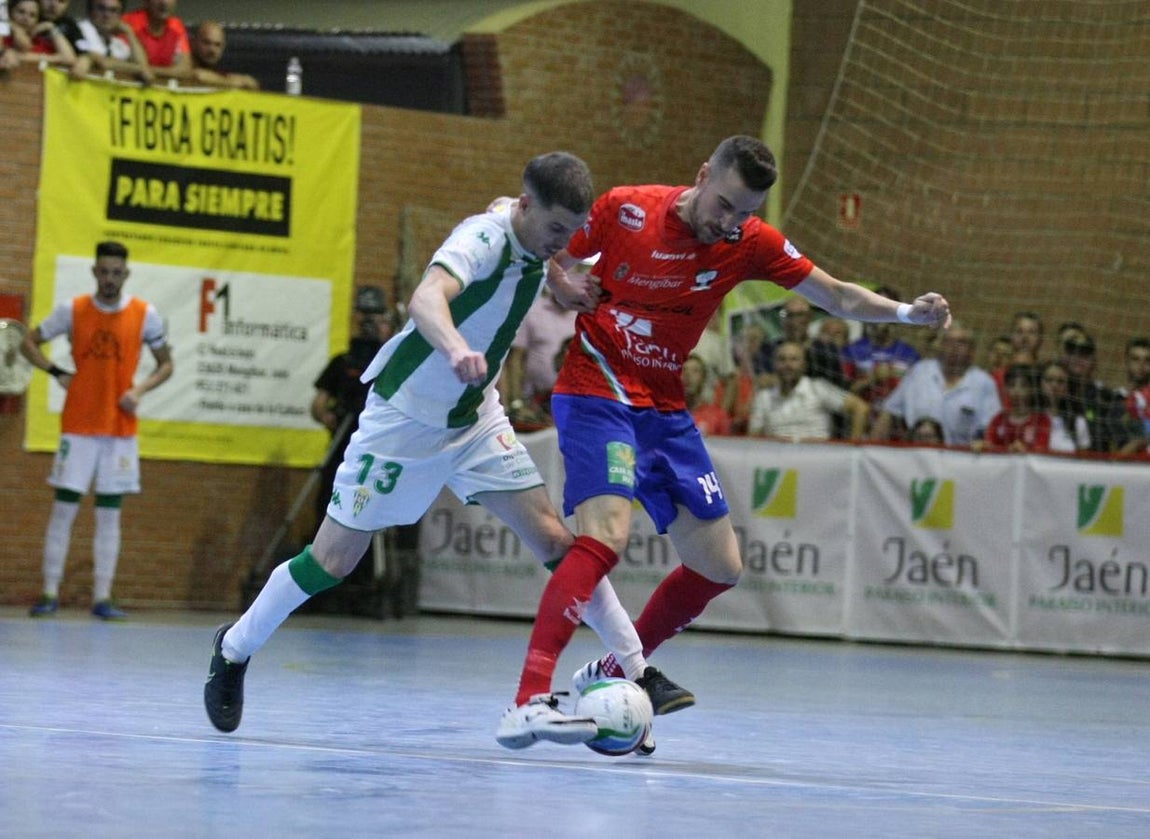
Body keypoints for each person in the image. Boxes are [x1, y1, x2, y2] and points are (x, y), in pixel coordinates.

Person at [497, 135, 951, 749]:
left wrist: (906, 315)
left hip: (664, 405)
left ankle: (611, 672)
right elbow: (544, 251)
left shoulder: (749, 244)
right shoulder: (627, 209)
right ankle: (528, 700)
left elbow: (837, 294)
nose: (731, 222)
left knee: (719, 566)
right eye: (725, 204)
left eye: (747, 212)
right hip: (597, 385)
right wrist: (563, 284)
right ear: (703, 172)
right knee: (606, 535)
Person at [204, 152, 650, 752]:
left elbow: (535, 250)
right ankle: (233, 650)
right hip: (403, 421)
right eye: (555, 233)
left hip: (473, 420)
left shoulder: (525, 228)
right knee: (332, 562)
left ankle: (638, 668)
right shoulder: (483, 238)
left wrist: (562, 278)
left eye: (571, 235)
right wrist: (455, 347)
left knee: (555, 541)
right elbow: (426, 297)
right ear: (525, 207)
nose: (562, 244)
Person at [19, 240, 173, 619]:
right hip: (79, 425)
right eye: (103, 271)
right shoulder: (72, 310)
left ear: (126, 274)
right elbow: (27, 342)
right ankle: (49, 592)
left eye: (116, 272)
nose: (109, 278)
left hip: (119, 430)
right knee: (64, 510)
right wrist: (56, 372)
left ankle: (102, 597)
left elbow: (166, 364)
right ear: (94, 272)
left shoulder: (144, 314)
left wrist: (138, 389)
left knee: (109, 514)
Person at [309, 285, 392, 527]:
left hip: (375, 450)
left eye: (374, 316)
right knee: (328, 502)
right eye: (364, 315)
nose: (368, 322)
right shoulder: (343, 362)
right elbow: (318, 404)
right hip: (341, 448)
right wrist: (327, 417)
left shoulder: (387, 363)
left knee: (369, 512)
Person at [870, 322, 1000, 446]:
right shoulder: (920, 372)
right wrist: (871, 449)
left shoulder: (983, 383)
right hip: (917, 456)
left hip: (960, 460)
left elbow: (992, 428)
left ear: (972, 350)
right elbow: (889, 412)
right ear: (941, 346)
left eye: (961, 343)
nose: (954, 348)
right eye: (949, 342)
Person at [499, 260, 584, 429]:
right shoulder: (532, 311)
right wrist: (515, 402)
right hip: (536, 401)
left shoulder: (585, 314)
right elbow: (515, 359)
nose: (566, 285)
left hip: (577, 401)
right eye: (562, 278)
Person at [747, 340, 868, 441]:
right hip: (777, 461)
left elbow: (861, 408)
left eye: (794, 359)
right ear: (774, 364)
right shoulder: (763, 397)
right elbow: (753, 437)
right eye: (782, 359)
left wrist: (852, 448)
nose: (787, 365)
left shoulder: (818, 388)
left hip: (817, 459)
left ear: (804, 365)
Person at [840, 284, 920, 434]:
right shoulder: (852, 351)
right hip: (860, 427)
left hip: (898, 430)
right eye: (875, 308)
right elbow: (842, 394)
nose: (880, 315)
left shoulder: (910, 354)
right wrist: (872, 378)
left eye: (886, 308)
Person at [974, 364, 1050, 453]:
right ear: (1005, 389)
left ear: (1032, 390)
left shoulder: (1042, 420)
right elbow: (989, 445)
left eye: (1023, 386)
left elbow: (1042, 450)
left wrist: (1025, 450)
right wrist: (982, 446)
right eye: (1012, 385)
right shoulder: (998, 419)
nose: (1017, 390)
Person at [70, 0, 152, 83]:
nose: (107, 15)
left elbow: (144, 67)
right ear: (90, 10)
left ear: (120, 16)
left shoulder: (118, 43)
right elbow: (102, 62)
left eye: (113, 11)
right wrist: (137, 69)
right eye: (101, 8)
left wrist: (130, 33)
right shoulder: (78, 29)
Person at [121, 0, 188, 80]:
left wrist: (146, 70)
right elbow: (122, 66)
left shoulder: (176, 25)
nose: (164, 2)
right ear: (146, 2)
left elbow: (185, 70)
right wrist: (171, 72)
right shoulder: (128, 22)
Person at [1037, 360, 1090, 453]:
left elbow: (1084, 459)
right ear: (1040, 384)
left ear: (1068, 387)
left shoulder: (1078, 422)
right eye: (1049, 380)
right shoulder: (1031, 418)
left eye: (1060, 381)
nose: (1054, 385)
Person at [188, 20, 258, 90]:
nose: (212, 50)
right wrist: (234, 83)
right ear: (194, 42)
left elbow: (251, 83)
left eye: (217, 45)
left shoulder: (218, 74)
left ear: (223, 47)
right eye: (207, 43)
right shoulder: (183, 68)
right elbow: (197, 77)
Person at [3, 0, 76, 64]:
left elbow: (69, 58)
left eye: (32, 15)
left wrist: (51, 27)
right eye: (21, 12)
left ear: (37, 20)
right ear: (10, 13)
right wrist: (15, 29)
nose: (26, 18)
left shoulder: (39, 42)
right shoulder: (2, 38)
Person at [682, 352, 731, 436]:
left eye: (695, 371)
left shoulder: (718, 416)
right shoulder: (666, 415)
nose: (688, 375)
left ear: (703, 379)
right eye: (683, 370)